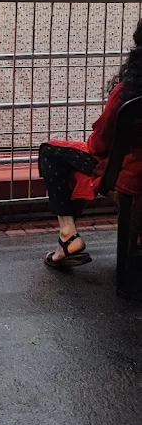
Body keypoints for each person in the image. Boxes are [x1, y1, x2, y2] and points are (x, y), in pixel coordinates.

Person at [38, 17, 142, 268]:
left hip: (131, 174)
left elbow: (99, 146)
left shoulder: (128, 93)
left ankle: (68, 235)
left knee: (51, 152)